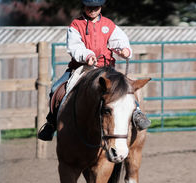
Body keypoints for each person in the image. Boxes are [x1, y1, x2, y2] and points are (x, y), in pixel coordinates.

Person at [38, 0, 151, 141]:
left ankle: (137, 113)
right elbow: (75, 46)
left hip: (107, 68)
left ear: (100, 7)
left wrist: (124, 50)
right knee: (55, 89)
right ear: (84, 6)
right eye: (89, 7)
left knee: (126, 87)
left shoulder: (108, 25)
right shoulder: (75, 25)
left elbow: (119, 40)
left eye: (95, 7)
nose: (92, 10)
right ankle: (51, 123)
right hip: (82, 67)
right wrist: (87, 55)